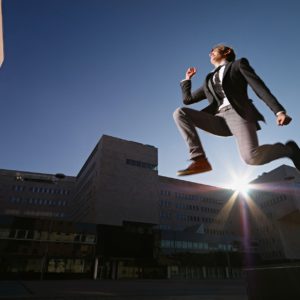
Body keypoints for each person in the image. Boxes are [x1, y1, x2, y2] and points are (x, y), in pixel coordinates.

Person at [173, 44, 300, 176]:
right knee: (180, 113)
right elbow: (188, 99)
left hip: (238, 114)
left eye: (213, 50)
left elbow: (259, 88)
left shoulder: (238, 65)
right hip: (218, 119)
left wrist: (279, 111)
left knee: (251, 157)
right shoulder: (208, 80)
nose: (210, 53)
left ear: (227, 52)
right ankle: (199, 160)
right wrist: (187, 79)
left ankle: (289, 150)